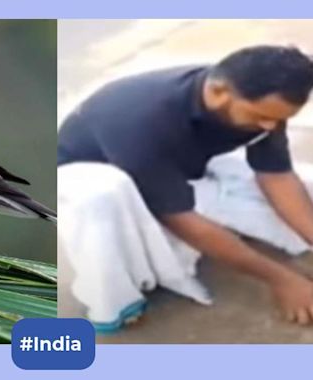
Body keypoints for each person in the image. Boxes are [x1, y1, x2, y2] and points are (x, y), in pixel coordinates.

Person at [58, 45, 313, 326]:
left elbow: (276, 176)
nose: (269, 127)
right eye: (261, 117)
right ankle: (115, 300)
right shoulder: (142, 122)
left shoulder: (258, 100)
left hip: (174, 164)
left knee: (305, 188)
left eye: (279, 120)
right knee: (106, 199)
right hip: (90, 177)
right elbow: (182, 219)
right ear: (218, 93)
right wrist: (283, 280)